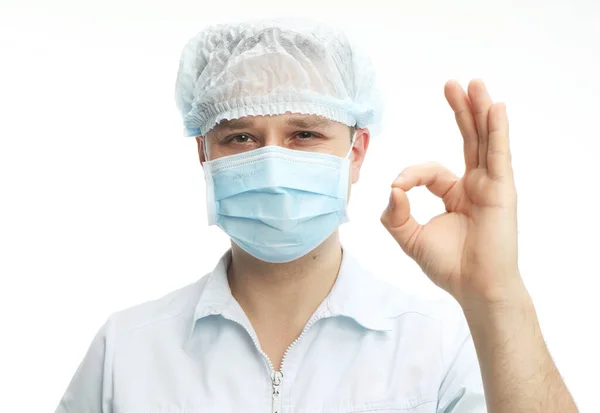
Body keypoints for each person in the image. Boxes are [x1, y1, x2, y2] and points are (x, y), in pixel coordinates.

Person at [55, 18, 578, 413]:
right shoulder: (126, 352)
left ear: (356, 151)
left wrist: (497, 295)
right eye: (240, 137)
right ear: (204, 155)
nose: (274, 163)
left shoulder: (438, 348)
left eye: (304, 134)